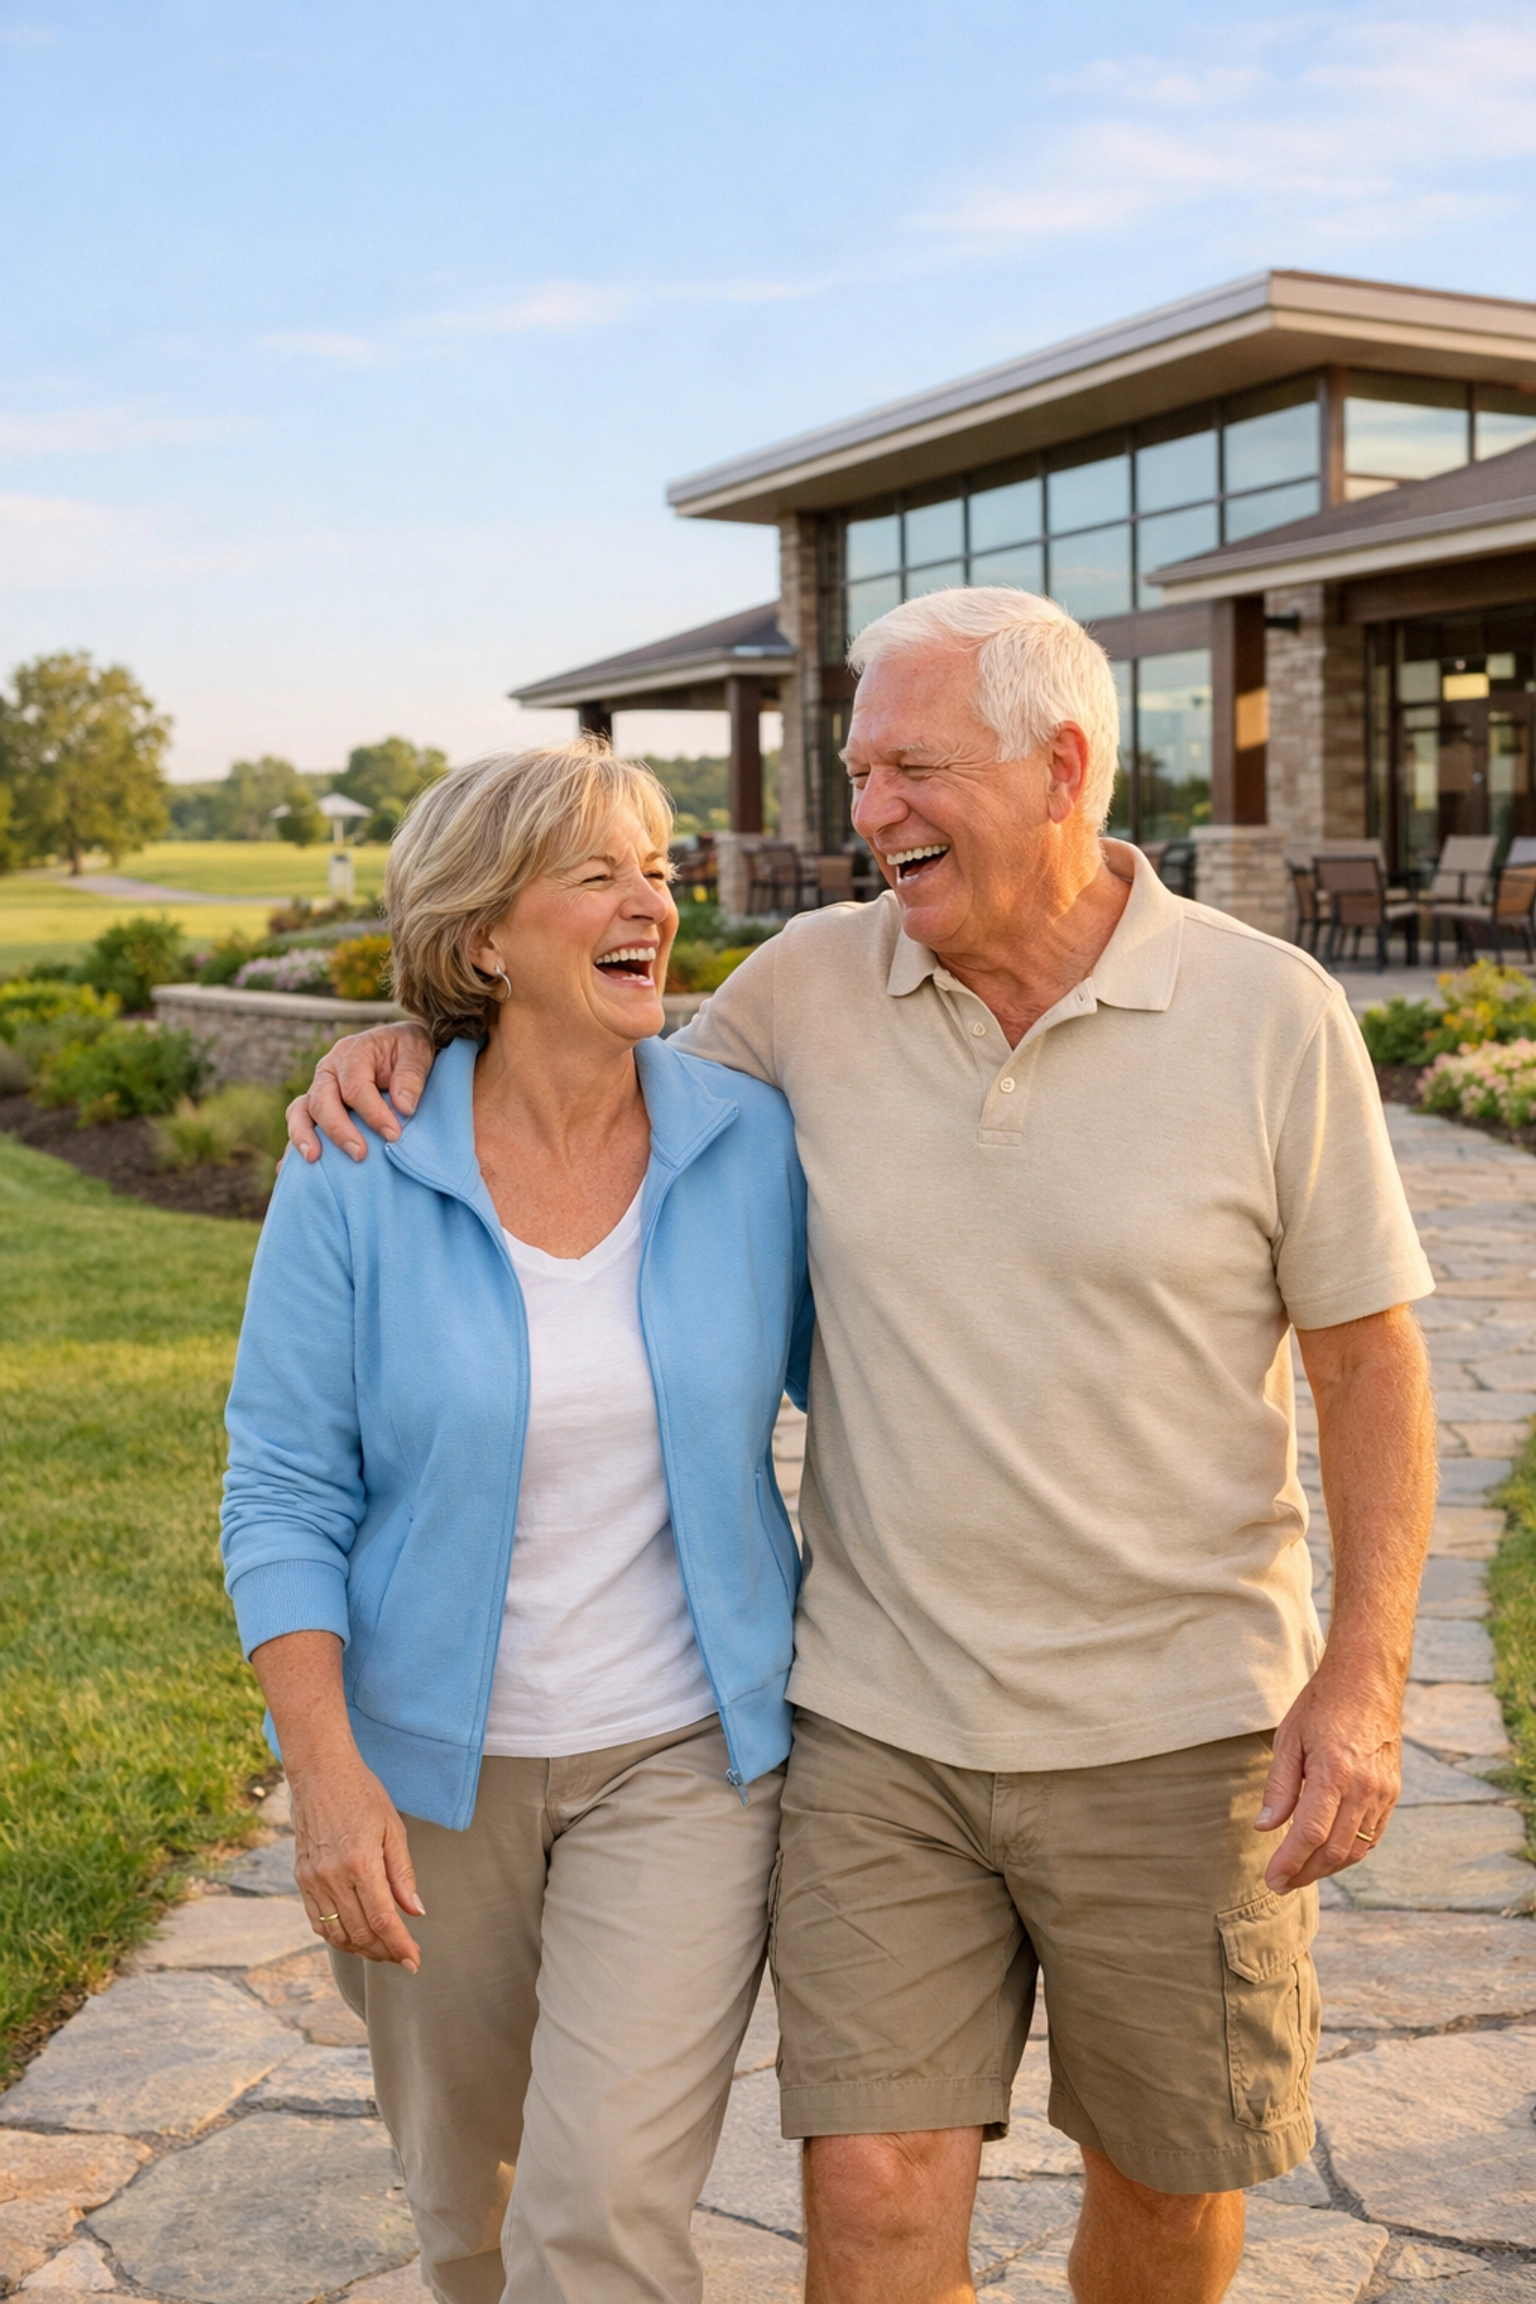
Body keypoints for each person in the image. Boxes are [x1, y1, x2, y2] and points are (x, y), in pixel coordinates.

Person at [290, 589, 1437, 2304]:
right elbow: (590, 1076)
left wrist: (1365, 1678)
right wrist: (412, 1049)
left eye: (911, 768)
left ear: (1061, 769)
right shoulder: (808, 990)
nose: (870, 812)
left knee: (1162, 2180)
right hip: (879, 1723)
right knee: (876, 2193)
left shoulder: (1271, 1018)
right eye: (856, 770)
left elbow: (1369, 1365)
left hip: (1182, 1722)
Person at [224, 739, 811, 2304]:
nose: (653, 904)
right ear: (484, 935)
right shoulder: (356, 1162)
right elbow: (282, 1482)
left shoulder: (747, 1144)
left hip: (684, 1757)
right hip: (426, 1778)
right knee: (468, 2224)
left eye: (663, 871)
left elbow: (896, 1380)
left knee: (598, 2214)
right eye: (602, 873)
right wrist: (328, 1781)